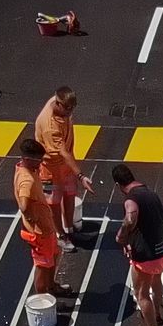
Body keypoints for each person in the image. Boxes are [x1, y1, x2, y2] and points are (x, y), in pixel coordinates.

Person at [113, 163, 163, 326]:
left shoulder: (131, 200)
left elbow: (130, 219)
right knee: (156, 281)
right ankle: (156, 314)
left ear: (118, 185)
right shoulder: (150, 193)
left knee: (141, 294)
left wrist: (121, 237)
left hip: (146, 258)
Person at [35, 86, 95, 250]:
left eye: (72, 108)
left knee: (69, 193)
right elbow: (63, 152)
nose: (70, 112)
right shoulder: (49, 126)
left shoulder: (62, 108)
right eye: (67, 108)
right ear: (58, 103)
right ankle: (60, 235)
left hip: (66, 165)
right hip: (51, 168)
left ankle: (69, 229)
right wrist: (81, 176)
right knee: (54, 202)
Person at [14, 138, 71, 299]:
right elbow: (24, 205)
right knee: (42, 265)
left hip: (46, 227)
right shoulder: (27, 180)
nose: (41, 163)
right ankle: (43, 299)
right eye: (38, 160)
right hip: (39, 233)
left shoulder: (24, 168)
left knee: (53, 256)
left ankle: (51, 286)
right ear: (27, 159)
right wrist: (31, 217)